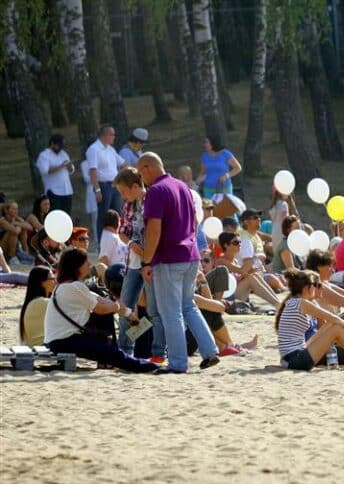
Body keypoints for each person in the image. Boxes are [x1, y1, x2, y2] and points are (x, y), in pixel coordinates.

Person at [137, 152, 220, 373]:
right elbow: (194, 221)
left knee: (170, 311)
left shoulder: (155, 191)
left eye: (140, 172)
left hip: (168, 257)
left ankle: (178, 363)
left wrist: (147, 261)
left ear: (147, 168)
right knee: (188, 306)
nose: (140, 177)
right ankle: (210, 351)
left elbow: (154, 229)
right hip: (190, 254)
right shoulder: (183, 187)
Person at [44, 248, 159, 372]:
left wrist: (128, 313)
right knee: (113, 354)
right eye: (85, 262)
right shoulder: (75, 287)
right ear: (76, 266)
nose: (89, 264)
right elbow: (101, 308)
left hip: (59, 340)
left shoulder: (64, 287)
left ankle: (112, 358)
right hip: (64, 342)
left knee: (110, 346)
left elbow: (101, 300)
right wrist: (116, 307)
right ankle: (148, 367)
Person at [114, 167, 165, 358]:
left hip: (151, 263)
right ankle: (124, 351)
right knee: (125, 307)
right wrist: (132, 244)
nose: (123, 196)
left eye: (124, 192)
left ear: (135, 186)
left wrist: (146, 252)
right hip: (133, 264)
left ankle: (159, 351)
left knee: (154, 310)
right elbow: (122, 231)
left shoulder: (152, 200)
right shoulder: (128, 206)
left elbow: (157, 232)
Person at [215, 232, 280, 307]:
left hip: (235, 293)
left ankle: (277, 301)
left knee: (254, 275)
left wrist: (254, 268)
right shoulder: (221, 261)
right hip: (227, 298)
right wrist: (253, 260)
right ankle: (277, 304)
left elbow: (243, 274)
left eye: (240, 242)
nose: (239, 244)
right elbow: (241, 271)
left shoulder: (235, 260)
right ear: (226, 245)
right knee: (250, 278)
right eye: (235, 242)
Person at [86, 125, 128, 242]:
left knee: (117, 215)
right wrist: (97, 189)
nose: (114, 137)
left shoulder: (110, 149)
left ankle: (118, 241)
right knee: (104, 216)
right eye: (112, 134)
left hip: (115, 186)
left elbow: (123, 163)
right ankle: (102, 243)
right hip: (103, 186)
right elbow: (92, 170)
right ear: (105, 135)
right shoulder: (94, 149)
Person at [36, 133, 75, 213]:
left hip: (67, 190)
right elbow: (45, 171)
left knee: (67, 215)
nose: (60, 148)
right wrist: (61, 166)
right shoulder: (44, 155)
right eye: (58, 145)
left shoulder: (63, 154)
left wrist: (70, 166)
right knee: (56, 215)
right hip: (54, 191)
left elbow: (71, 170)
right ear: (52, 144)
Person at [197, 134, 242, 199]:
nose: (204, 144)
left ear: (213, 143)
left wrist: (226, 176)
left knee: (225, 208)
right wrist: (197, 182)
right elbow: (203, 171)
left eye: (206, 142)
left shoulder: (225, 154)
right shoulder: (204, 156)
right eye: (204, 142)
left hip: (224, 188)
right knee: (210, 208)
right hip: (208, 189)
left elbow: (238, 168)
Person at [20, 266, 56, 345]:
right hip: (42, 348)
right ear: (42, 282)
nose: (55, 281)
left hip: (33, 347)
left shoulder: (31, 302)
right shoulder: (43, 303)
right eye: (52, 278)